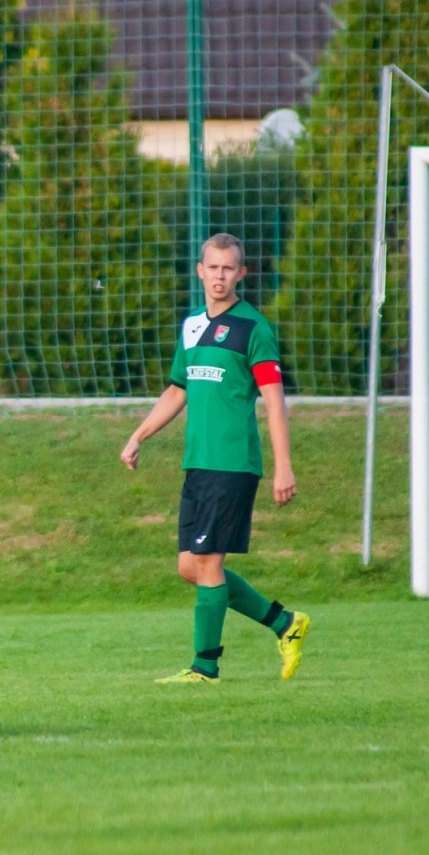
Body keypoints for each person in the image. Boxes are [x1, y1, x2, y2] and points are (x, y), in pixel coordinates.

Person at [121, 233, 308, 684]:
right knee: (192, 566)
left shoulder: (254, 329)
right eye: (213, 267)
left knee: (207, 564)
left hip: (232, 464)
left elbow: (274, 400)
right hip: (198, 463)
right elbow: (177, 389)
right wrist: (139, 435)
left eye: (229, 268)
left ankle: (205, 667)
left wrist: (283, 465)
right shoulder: (191, 327)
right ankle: (286, 624)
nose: (220, 276)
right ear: (200, 270)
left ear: (241, 273)